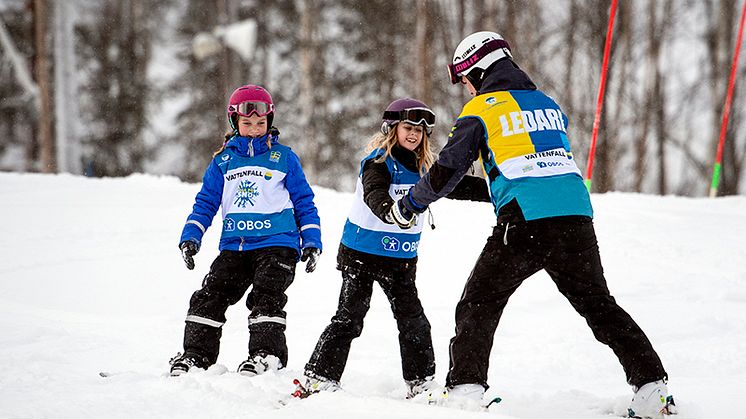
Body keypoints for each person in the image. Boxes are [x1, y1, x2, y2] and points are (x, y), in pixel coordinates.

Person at [388, 32, 675, 417]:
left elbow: (448, 168)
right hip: (576, 216)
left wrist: (410, 203)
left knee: (479, 302)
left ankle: (465, 389)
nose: (467, 90)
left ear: (477, 69)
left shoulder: (483, 109)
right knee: (599, 305)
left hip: (525, 220)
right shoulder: (547, 103)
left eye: (466, 80)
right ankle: (652, 387)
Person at [300, 98, 490, 399]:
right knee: (349, 317)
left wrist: (501, 191)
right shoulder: (378, 161)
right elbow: (375, 192)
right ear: (392, 129)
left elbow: (461, 187)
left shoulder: (427, 168)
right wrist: (390, 211)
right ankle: (320, 377)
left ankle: (420, 382)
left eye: (420, 131)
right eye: (408, 128)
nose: (414, 135)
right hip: (361, 253)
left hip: (400, 259)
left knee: (413, 321)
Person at [169, 84, 322, 377]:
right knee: (209, 294)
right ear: (234, 122)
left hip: (278, 244)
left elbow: (304, 201)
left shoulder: (284, 158)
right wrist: (191, 236)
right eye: (247, 123)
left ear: (270, 122)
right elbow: (206, 202)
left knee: (267, 295)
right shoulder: (223, 161)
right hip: (236, 247)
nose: (254, 129)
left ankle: (266, 356)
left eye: (260, 123)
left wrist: (312, 240)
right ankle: (195, 356)